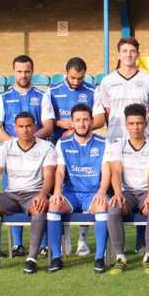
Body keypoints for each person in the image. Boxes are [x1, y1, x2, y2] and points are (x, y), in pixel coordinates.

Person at [0, 112, 56, 274]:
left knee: (39, 207)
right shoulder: (5, 148)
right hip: (11, 195)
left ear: (35, 127)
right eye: (21, 126)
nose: (25, 130)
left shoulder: (47, 147)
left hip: (34, 193)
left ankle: (31, 259)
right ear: (14, 128)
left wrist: (43, 194)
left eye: (29, 126)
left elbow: (49, 176)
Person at [0, 54, 54, 257]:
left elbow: (48, 125)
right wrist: (14, 144)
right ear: (13, 72)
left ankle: (43, 244)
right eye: (19, 71)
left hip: (37, 154)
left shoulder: (42, 95)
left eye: (27, 71)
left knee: (40, 197)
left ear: (32, 72)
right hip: (13, 156)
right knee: (13, 194)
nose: (23, 75)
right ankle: (17, 244)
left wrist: (30, 141)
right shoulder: (3, 98)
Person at [42, 57, 101, 257]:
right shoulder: (52, 91)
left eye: (80, 78)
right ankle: (63, 236)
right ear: (66, 72)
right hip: (59, 148)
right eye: (73, 77)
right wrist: (63, 124)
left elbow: (100, 119)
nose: (76, 82)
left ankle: (82, 239)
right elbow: (48, 121)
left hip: (85, 146)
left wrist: (79, 127)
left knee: (86, 187)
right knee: (60, 193)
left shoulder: (93, 91)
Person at [46, 104, 108, 273]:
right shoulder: (63, 143)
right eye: (78, 120)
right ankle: (56, 257)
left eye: (86, 120)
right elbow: (60, 171)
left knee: (102, 205)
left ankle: (99, 257)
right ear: (72, 122)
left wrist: (102, 192)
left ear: (92, 121)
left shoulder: (103, 143)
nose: (82, 124)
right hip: (71, 194)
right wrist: (57, 192)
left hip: (92, 195)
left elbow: (107, 171)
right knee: (53, 205)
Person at [105, 103, 149, 274]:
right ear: (126, 125)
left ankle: (148, 256)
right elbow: (115, 171)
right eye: (131, 124)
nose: (136, 127)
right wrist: (117, 194)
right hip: (127, 192)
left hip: (147, 191)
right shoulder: (117, 145)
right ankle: (119, 257)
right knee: (114, 208)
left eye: (139, 123)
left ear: (146, 124)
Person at [94, 37, 149, 143]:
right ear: (119, 54)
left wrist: (141, 130)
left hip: (142, 142)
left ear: (138, 54)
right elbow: (107, 113)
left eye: (132, 51)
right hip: (115, 140)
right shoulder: (107, 81)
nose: (128, 55)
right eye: (124, 51)